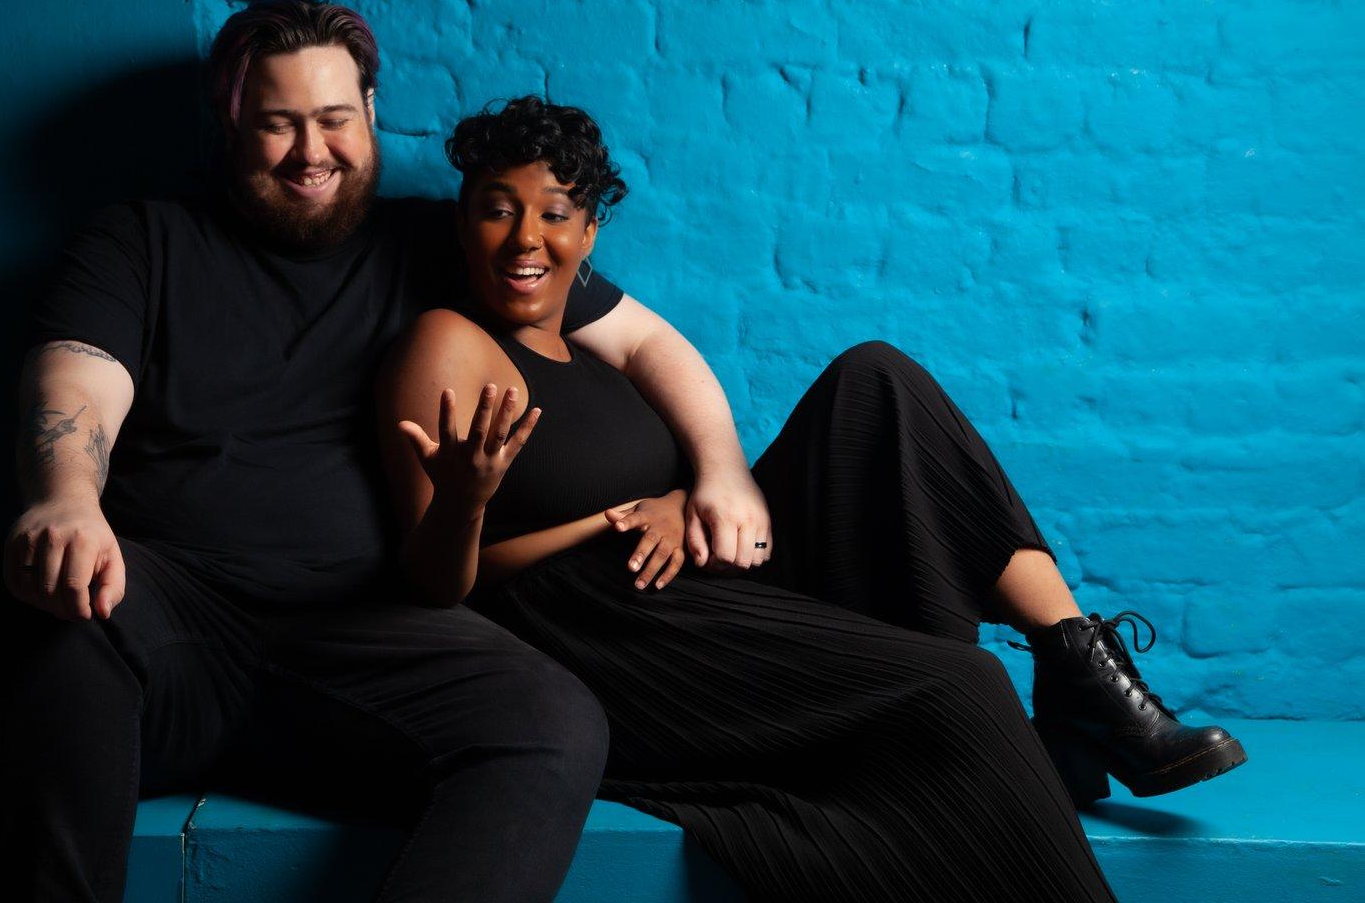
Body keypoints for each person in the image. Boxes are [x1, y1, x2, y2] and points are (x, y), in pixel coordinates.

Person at [0, 0, 777, 903]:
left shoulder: (447, 239)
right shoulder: (142, 242)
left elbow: (646, 343)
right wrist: (65, 497)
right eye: (278, 124)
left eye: (335, 120)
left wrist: (722, 472)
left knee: (554, 719)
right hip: (171, 618)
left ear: (373, 114)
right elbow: (78, 379)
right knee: (49, 619)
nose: (312, 152)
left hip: (370, 635)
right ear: (232, 122)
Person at [377, 96, 1249, 901]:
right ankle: (1009, 731)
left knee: (876, 380)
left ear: (591, 232)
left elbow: (657, 349)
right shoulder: (448, 342)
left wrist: (700, 489)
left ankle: (1074, 666)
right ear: (463, 221)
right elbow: (442, 584)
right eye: (496, 208)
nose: (524, 238)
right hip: (609, 632)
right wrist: (581, 518)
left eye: (554, 214)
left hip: (702, 580)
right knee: (962, 689)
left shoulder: (579, 329)